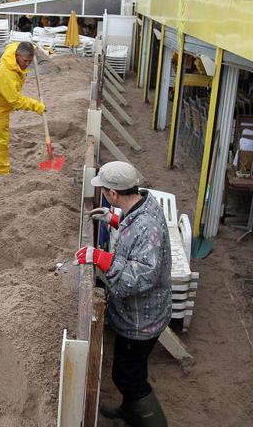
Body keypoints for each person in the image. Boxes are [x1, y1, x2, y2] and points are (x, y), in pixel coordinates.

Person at [74, 161, 172, 427]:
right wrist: (115, 219)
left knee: (129, 377)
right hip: (141, 313)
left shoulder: (146, 226)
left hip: (142, 319)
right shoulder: (142, 205)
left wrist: (102, 258)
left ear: (113, 194)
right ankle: (131, 412)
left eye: (104, 191)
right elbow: (137, 234)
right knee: (128, 372)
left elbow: (139, 278)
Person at [0, 41, 45, 176]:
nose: (26, 64)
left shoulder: (13, 50)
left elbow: (21, 44)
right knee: (1, 140)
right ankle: (1, 171)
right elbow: (15, 101)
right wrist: (36, 106)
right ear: (17, 55)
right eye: (24, 61)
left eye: (29, 61)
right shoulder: (7, 73)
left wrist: (34, 46)